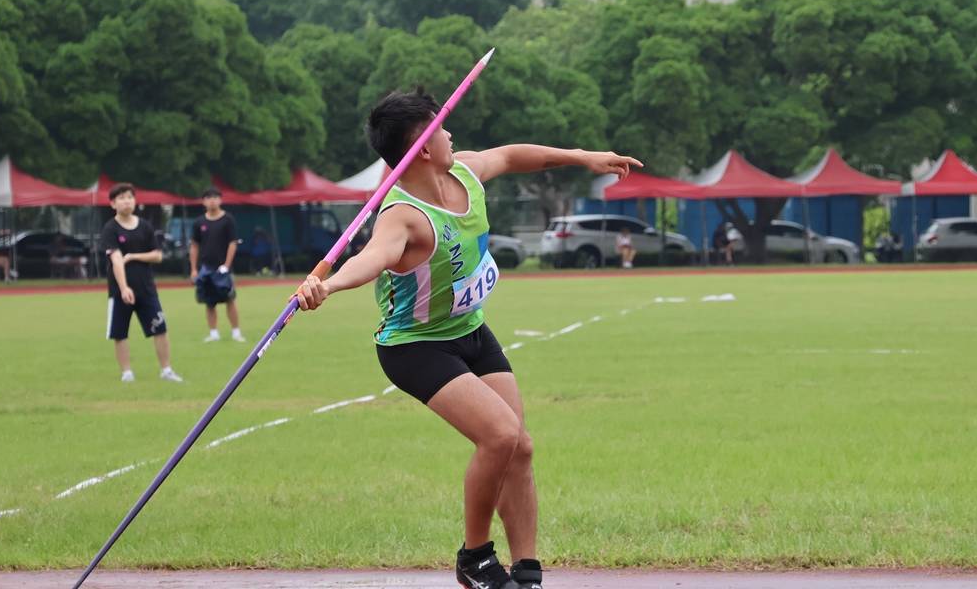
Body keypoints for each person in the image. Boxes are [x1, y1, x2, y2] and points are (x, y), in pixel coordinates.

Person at [293, 89, 642, 589]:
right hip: (415, 347)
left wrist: (582, 157)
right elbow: (370, 258)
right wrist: (325, 284)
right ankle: (475, 556)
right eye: (440, 127)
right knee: (499, 434)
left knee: (519, 447)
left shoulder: (463, 173)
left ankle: (526, 572)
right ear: (422, 149)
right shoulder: (402, 215)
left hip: (470, 330)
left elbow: (513, 155)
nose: (450, 131)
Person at [101, 182, 183, 383]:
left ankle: (166, 370)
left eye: (129, 197)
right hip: (120, 291)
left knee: (160, 328)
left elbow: (157, 256)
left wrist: (134, 256)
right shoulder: (110, 229)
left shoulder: (145, 226)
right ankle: (126, 373)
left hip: (146, 288)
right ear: (113, 204)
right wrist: (123, 288)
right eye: (121, 198)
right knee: (120, 333)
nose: (126, 201)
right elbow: (116, 260)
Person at [189, 187, 244, 343]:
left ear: (220, 200)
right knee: (209, 302)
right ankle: (213, 333)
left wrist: (226, 265)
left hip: (223, 268)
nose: (212, 200)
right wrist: (193, 269)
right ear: (204, 201)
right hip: (206, 268)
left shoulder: (228, 219)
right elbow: (194, 245)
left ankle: (236, 332)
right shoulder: (199, 222)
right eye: (208, 197)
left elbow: (232, 243)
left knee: (230, 299)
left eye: (215, 197)